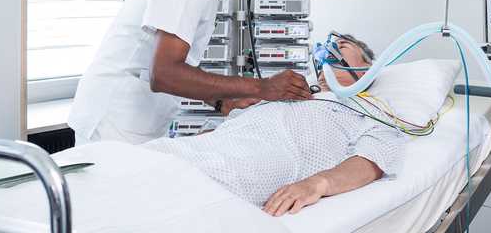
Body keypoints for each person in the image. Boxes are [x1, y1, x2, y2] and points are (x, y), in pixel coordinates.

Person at [68, 0, 311, 145]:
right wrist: (263, 87)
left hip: (135, 122)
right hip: (113, 122)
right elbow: (164, 74)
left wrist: (221, 102)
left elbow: (178, 70)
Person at [143, 34, 407, 216]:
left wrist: (318, 184)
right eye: (328, 44)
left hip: (268, 157)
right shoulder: (296, 90)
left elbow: (373, 159)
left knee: (177, 186)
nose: (330, 48)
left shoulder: (370, 109)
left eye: (342, 45)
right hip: (213, 144)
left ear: (368, 67)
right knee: (145, 159)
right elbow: (232, 126)